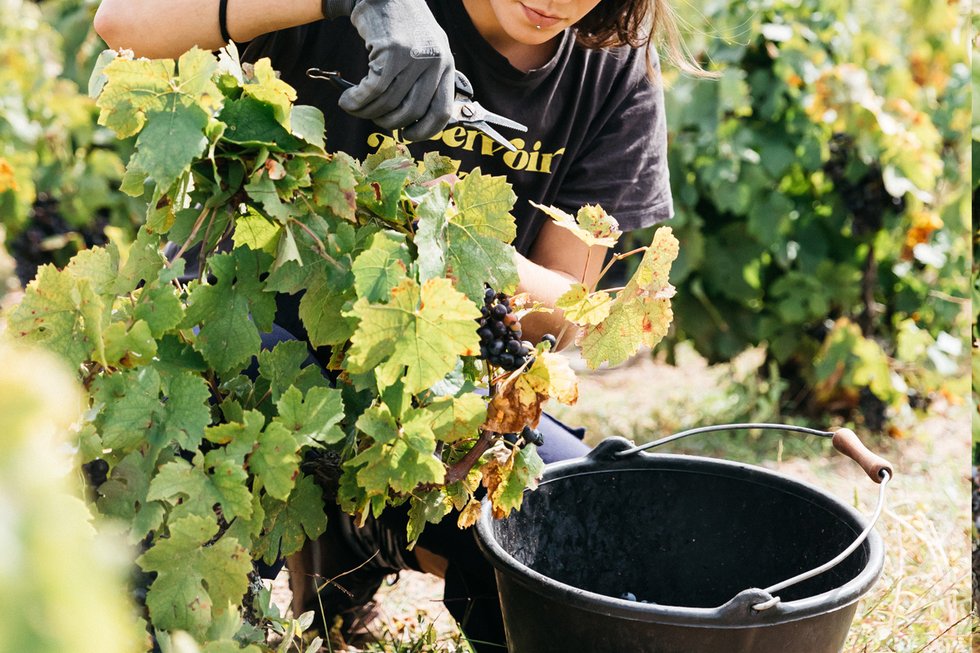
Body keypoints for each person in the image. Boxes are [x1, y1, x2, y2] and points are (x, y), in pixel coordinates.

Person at [94, 0, 704, 649]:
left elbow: (565, 311)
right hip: (242, 328)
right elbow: (124, 22)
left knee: (574, 533)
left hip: (422, 385)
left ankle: (355, 538)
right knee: (178, 524)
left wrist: (455, 240)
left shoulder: (609, 65)